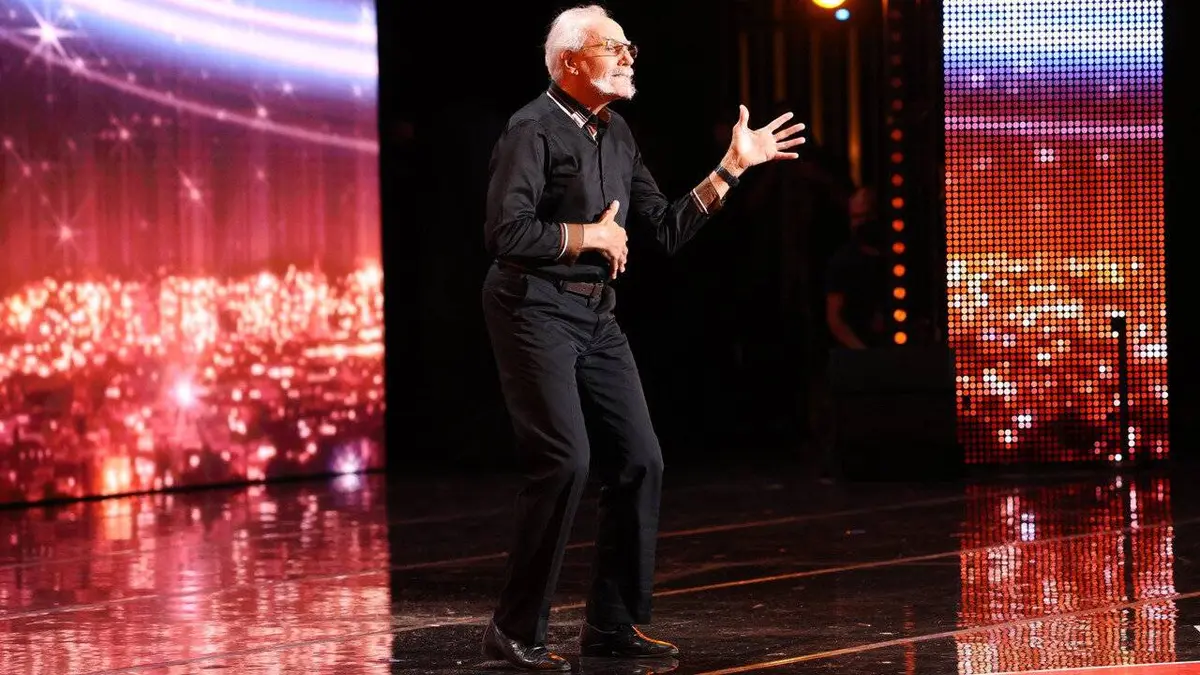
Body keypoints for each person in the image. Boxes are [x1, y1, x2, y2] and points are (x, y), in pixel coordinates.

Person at [479, 5, 806, 671]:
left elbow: (664, 229)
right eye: (613, 46)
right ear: (572, 61)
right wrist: (589, 235)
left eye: (629, 45)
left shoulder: (617, 133)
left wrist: (731, 168)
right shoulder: (531, 129)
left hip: (596, 313)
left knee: (640, 459)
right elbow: (505, 232)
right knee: (564, 462)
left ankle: (611, 623)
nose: (629, 56)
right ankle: (512, 629)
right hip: (531, 307)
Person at [824, 187, 891, 350]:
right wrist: (863, 352)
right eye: (855, 217)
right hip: (857, 354)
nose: (859, 223)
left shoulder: (893, 256)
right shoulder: (843, 261)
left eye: (865, 216)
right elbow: (835, 319)